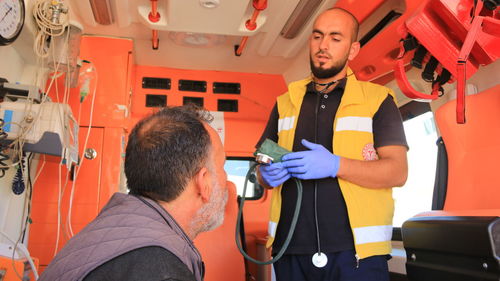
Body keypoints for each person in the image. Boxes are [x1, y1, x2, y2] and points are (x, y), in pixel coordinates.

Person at [256, 7, 408, 281]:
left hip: (358, 254)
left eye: (335, 38)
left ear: (352, 49)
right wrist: (265, 175)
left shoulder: (378, 100)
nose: (323, 45)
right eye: (317, 36)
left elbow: (397, 172)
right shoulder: (284, 102)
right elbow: (262, 162)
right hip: (290, 250)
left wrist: (336, 165)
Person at [39, 105, 228, 281]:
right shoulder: (160, 270)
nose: (227, 179)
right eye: (222, 166)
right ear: (203, 182)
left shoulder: (119, 229)